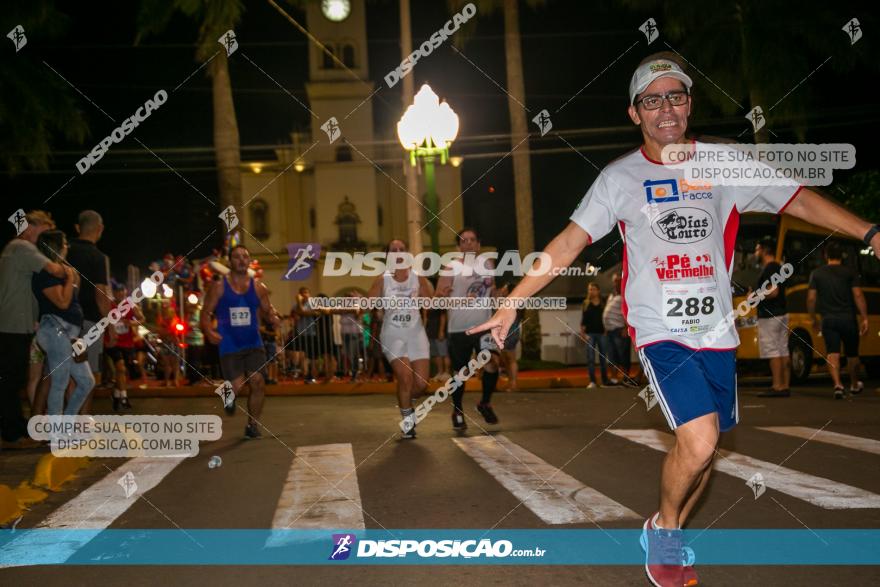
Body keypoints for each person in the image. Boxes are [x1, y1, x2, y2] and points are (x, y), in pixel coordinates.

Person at [468, 53, 880, 587]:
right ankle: (665, 532)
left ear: (689, 104)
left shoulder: (723, 164)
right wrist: (514, 298)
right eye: (652, 99)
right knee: (702, 440)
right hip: (660, 330)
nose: (666, 108)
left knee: (703, 452)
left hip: (717, 332)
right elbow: (570, 242)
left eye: (676, 96)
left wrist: (870, 232)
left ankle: (670, 529)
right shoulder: (619, 178)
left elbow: (799, 202)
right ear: (635, 113)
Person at [0, 210, 67, 446]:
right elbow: (54, 269)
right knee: (11, 380)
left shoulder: (12, 248)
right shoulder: (24, 248)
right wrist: (69, 270)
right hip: (14, 324)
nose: (46, 237)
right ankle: (12, 432)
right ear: (31, 228)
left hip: (13, 322)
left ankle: (15, 426)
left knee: (12, 378)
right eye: (44, 231)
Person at [201, 245, 281, 439]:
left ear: (249, 261)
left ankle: (252, 425)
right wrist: (208, 329)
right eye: (237, 257)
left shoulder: (258, 287)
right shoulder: (220, 287)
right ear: (230, 262)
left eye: (245, 257)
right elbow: (205, 312)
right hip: (229, 343)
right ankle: (227, 394)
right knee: (236, 386)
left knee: (258, 381)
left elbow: (268, 309)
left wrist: (273, 317)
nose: (241, 260)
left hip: (253, 342)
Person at [367, 239, 433, 438]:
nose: (397, 252)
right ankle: (407, 420)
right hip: (393, 333)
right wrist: (359, 303)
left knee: (421, 385)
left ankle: (405, 400)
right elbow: (368, 303)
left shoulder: (418, 278)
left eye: (401, 249)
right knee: (405, 377)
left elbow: (431, 302)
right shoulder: (382, 279)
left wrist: (439, 296)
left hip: (416, 332)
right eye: (393, 250)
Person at [435, 228, 500, 429]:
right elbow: (438, 296)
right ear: (459, 246)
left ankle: (485, 403)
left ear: (478, 244)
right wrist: (443, 295)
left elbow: (492, 293)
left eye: (473, 240)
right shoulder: (451, 267)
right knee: (460, 372)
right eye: (464, 240)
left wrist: (503, 303)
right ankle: (457, 410)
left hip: (484, 326)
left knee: (493, 363)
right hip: (459, 328)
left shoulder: (487, 264)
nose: (469, 243)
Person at [32, 230, 95, 416]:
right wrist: (69, 279)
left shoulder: (61, 270)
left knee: (86, 381)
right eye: (65, 243)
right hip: (56, 328)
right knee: (60, 382)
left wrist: (71, 277)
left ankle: (66, 423)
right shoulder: (45, 273)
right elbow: (62, 302)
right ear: (56, 247)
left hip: (69, 332)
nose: (67, 246)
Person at [808, 242, 869, 399]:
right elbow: (858, 295)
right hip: (848, 319)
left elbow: (811, 298)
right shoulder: (850, 273)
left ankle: (838, 385)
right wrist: (864, 317)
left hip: (828, 319)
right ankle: (854, 384)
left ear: (826, 256)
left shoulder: (817, 274)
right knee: (852, 354)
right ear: (842, 256)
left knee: (832, 353)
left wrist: (813, 317)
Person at [66, 210, 111, 412]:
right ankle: (83, 422)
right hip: (90, 322)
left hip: (65, 320)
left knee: (69, 374)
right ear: (100, 229)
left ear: (78, 227)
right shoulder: (99, 257)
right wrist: (107, 323)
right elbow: (101, 294)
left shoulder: (65, 251)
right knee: (89, 373)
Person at [753, 239, 791, 397]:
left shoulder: (770, 268)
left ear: (763, 250)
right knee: (783, 349)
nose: (755, 253)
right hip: (781, 313)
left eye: (757, 249)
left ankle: (777, 386)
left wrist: (754, 295)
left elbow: (773, 291)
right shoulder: (779, 267)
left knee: (773, 350)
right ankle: (785, 385)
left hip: (770, 315)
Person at [104, 281, 143, 410]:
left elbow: (142, 319)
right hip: (113, 342)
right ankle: (124, 397)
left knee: (122, 371)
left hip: (127, 343)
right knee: (120, 368)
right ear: (114, 293)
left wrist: (131, 323)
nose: (120, 293)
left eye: (123, 291)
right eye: (118, 291)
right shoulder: (109, 304)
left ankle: (116, 395)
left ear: (126, 291)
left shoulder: (131, 304)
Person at [603, 273, 632, 385]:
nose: (616, 283)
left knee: (623, 355)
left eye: (618, 280)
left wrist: (626, 328)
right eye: (615, 281)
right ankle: (614, 379)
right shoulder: (612, 295)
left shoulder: (626, 295)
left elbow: (627, 313)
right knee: (612, 356)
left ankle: (626, 378)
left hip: (620, 330)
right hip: (610, 331)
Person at [580, 282, 609, 388]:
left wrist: (606, 330)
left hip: (602, 333)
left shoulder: (603, 303)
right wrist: (582, 333)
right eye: (590, 289)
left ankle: (605, 381)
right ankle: (592, 381)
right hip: (590, 334)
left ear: (598, 290)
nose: (591, 291)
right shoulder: (585, 303)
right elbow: (583, 320)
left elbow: (606, 317)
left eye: (593, 289)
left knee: (603, 358)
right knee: (591, 358)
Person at [425, 307, 451, 382]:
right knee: (436, 354)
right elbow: (426, 317)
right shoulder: (427, 302)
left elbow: (443, 316)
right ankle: (440, 373)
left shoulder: (439, 300)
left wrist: (441, 331)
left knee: (444, 353)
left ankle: (447, 373)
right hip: (431, 331)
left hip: (439, 331)